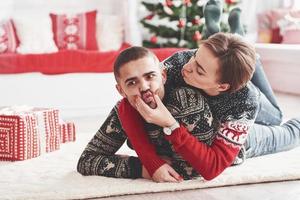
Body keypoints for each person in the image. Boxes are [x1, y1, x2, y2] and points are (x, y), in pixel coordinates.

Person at [77, 46, 218, 182]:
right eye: (132, 82)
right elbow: (86, 160)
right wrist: (144, 167)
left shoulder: (187, 101)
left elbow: (193, 171)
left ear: (163, 76)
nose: (144, 87)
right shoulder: (124, 109)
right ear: (121, 90)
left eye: (150, 76)